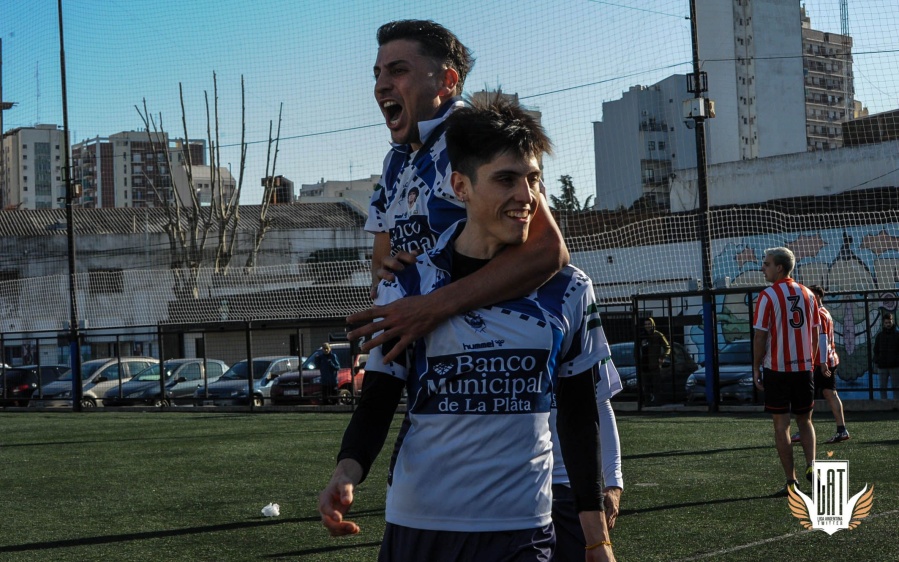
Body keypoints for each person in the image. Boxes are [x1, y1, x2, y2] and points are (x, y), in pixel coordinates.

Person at [319, 99, 616, 561]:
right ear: (461, 185)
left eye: (533, 179)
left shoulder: (569, 288)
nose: (527, 195)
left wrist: (596, 536)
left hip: (522, 526)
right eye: (505, 179)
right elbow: (378, 400)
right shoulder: (407, 282)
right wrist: (347, 471)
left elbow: (579, 416)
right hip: (420, 522)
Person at [351, 19, 568, 365]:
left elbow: (548, 251)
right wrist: (395, 277)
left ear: (447, 81)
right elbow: (381, 269)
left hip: (506, 345)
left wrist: (430, 306)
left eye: (398, 71)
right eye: (377, 74)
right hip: (435, 350)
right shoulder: (395, 161)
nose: (381, 86)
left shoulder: (476, 139)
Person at [752, 247, 820, 496]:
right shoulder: (808, 294)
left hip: (777, 370)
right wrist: (809, 361)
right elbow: (814, 332)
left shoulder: (768, 296)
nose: (763, 268)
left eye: (767, 264)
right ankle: (812, 466)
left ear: (779, 268)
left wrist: (756, 367)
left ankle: (791, 482)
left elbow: (760, 336)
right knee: (806, 420)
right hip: (804, 368)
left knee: (782, 426)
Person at [791, 286, 849, 445]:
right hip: (827, 360)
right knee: (830, 393)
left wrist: (821, 363)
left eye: (810, 296)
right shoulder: (825, 313)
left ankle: (803, 431)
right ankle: (841, 429)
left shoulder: (819, 314)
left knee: (806, 394)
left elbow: (822, 339)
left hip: (821, 362)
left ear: (816, 297)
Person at [638, 317, 670, 404]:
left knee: (657, 386)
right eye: (646, 324)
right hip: (644, 365)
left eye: (649, 324)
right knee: (646, 386)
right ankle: (647, 403)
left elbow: (667, 347)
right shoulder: (641, 336)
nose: (647, 326)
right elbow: (637, 350)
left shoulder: (658, 335)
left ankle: (657, 403)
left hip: (655, 365)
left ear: (653, 325)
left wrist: (663, 357)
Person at [873, 311, 899, 400]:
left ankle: (895, 404)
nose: (888, 324)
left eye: (889, 322)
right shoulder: (880, 336)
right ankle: (884, 404)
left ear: (892, 322)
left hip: (894, 365)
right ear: (883, 323)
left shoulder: (897, 335)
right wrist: (877, 361)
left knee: (896, 387)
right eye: (886, 323)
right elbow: (876, 350)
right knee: (882, 387)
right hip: (883, 365)